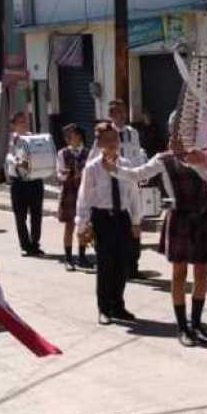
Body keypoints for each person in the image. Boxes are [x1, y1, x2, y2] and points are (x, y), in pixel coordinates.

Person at [106, 135, 207, 347]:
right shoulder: (163, 160)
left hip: (202, 216)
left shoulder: (201, 155)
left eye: (183, 135)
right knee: (179, 273)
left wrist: (196, 160)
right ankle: (182, 327)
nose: (176, 141)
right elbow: (137, 174)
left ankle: (196, 323)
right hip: (180, 217)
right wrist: (115, 169)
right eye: (173, 135)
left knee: (202, 272)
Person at [76, 122, 142, 325]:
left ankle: (118, 306)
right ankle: (104, 309)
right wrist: (82, 224)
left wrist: (136, 220)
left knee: (122, 265)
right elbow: (84, 197)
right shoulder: (93, 167)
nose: (113, 143)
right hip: (102, 218)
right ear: (100, 143)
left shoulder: (126, 165)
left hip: (122, 218)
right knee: (105, 266)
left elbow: (133, 194)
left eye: (115, 139)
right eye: (108, 140)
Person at [89, 100, 148, 279]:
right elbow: (93, 157)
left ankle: (134, 266)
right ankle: (119, 266)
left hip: (130, 182)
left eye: (123, 111)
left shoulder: (132, 133)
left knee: (135, 223)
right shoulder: (105, 133)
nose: (121, 115)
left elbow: (137, 155)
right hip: (111, 185)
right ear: (111, 115)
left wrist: (141, 174)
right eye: (116, 112)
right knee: (119, 228)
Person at [5, 112, 45, 256]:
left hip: (34, 180)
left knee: (36, 214)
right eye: (20, 122)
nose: (24, 124)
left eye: (25, 121)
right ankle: (25, 245)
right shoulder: (9, 140)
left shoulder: (33, 138)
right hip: (18, 182)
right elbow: (8, 155)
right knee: (20, 215)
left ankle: (35, 244)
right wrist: (14, 160)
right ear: (13, 125)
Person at [56, 123, 92, 271]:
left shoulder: (88, 153)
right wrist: (66, 174)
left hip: (83, 192)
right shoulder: (62, 153)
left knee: (83, 225)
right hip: (69, 191)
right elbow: (59, 174)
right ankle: (69, 258)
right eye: (71, 137)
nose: (74, 139)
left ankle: (82, 256)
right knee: (69, 225)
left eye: (77, 136)